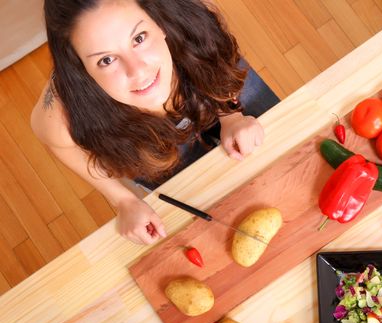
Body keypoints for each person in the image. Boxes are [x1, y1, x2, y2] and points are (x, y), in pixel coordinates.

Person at [31, 0, 280, 245]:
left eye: (139, 38)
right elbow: (47, 134)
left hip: (210, 87)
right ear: (81, 70)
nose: (138, 71)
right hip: (149, 143)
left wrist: (232, 114)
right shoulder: (61, 111)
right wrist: (123, 200)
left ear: (160, 22)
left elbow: (214, 57)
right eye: (106, 60)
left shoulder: (189, 18)